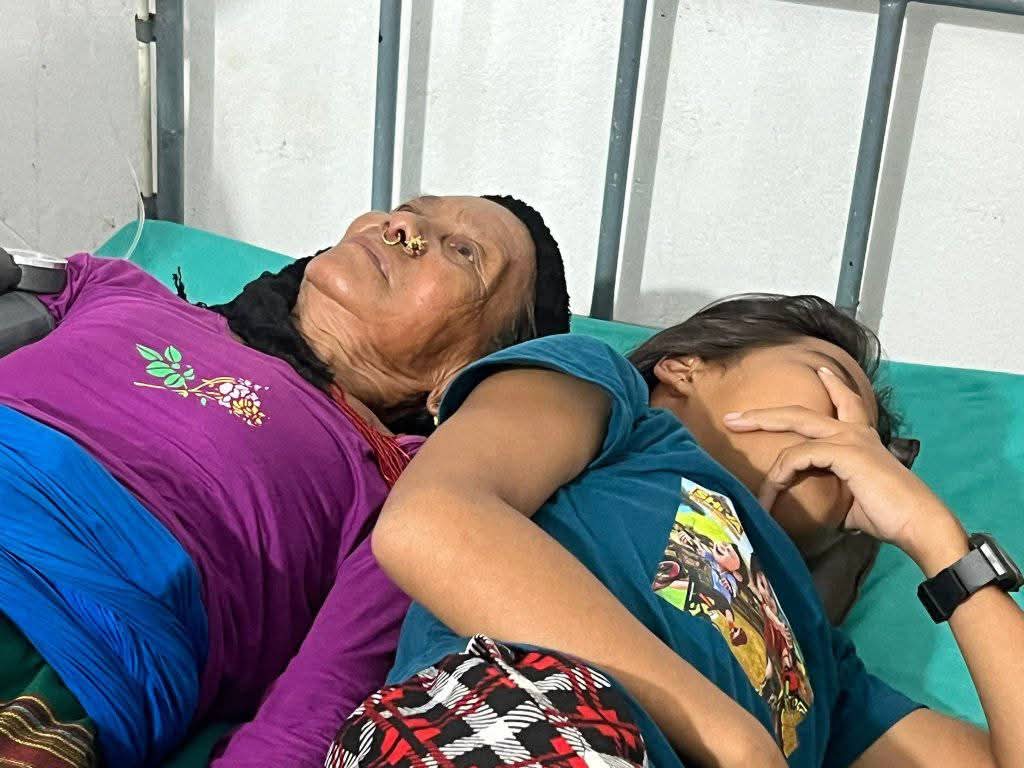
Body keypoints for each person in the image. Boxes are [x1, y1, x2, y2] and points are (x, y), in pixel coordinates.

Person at [0, 194, 570, 768]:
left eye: (464, 251)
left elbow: (310, 714)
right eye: (408, 208)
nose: (404, 226)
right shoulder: (116, 285)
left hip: (47, 630)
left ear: (467, 372)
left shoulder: (410, 487)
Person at [339, 294, 1023, 768]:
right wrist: (733, 739)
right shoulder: (613, 404)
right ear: (685, 367)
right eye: (831, 379)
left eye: (876, 441)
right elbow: (430, 521)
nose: (854, 434)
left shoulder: (826, 676)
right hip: (518, 716)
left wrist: (936, 538)